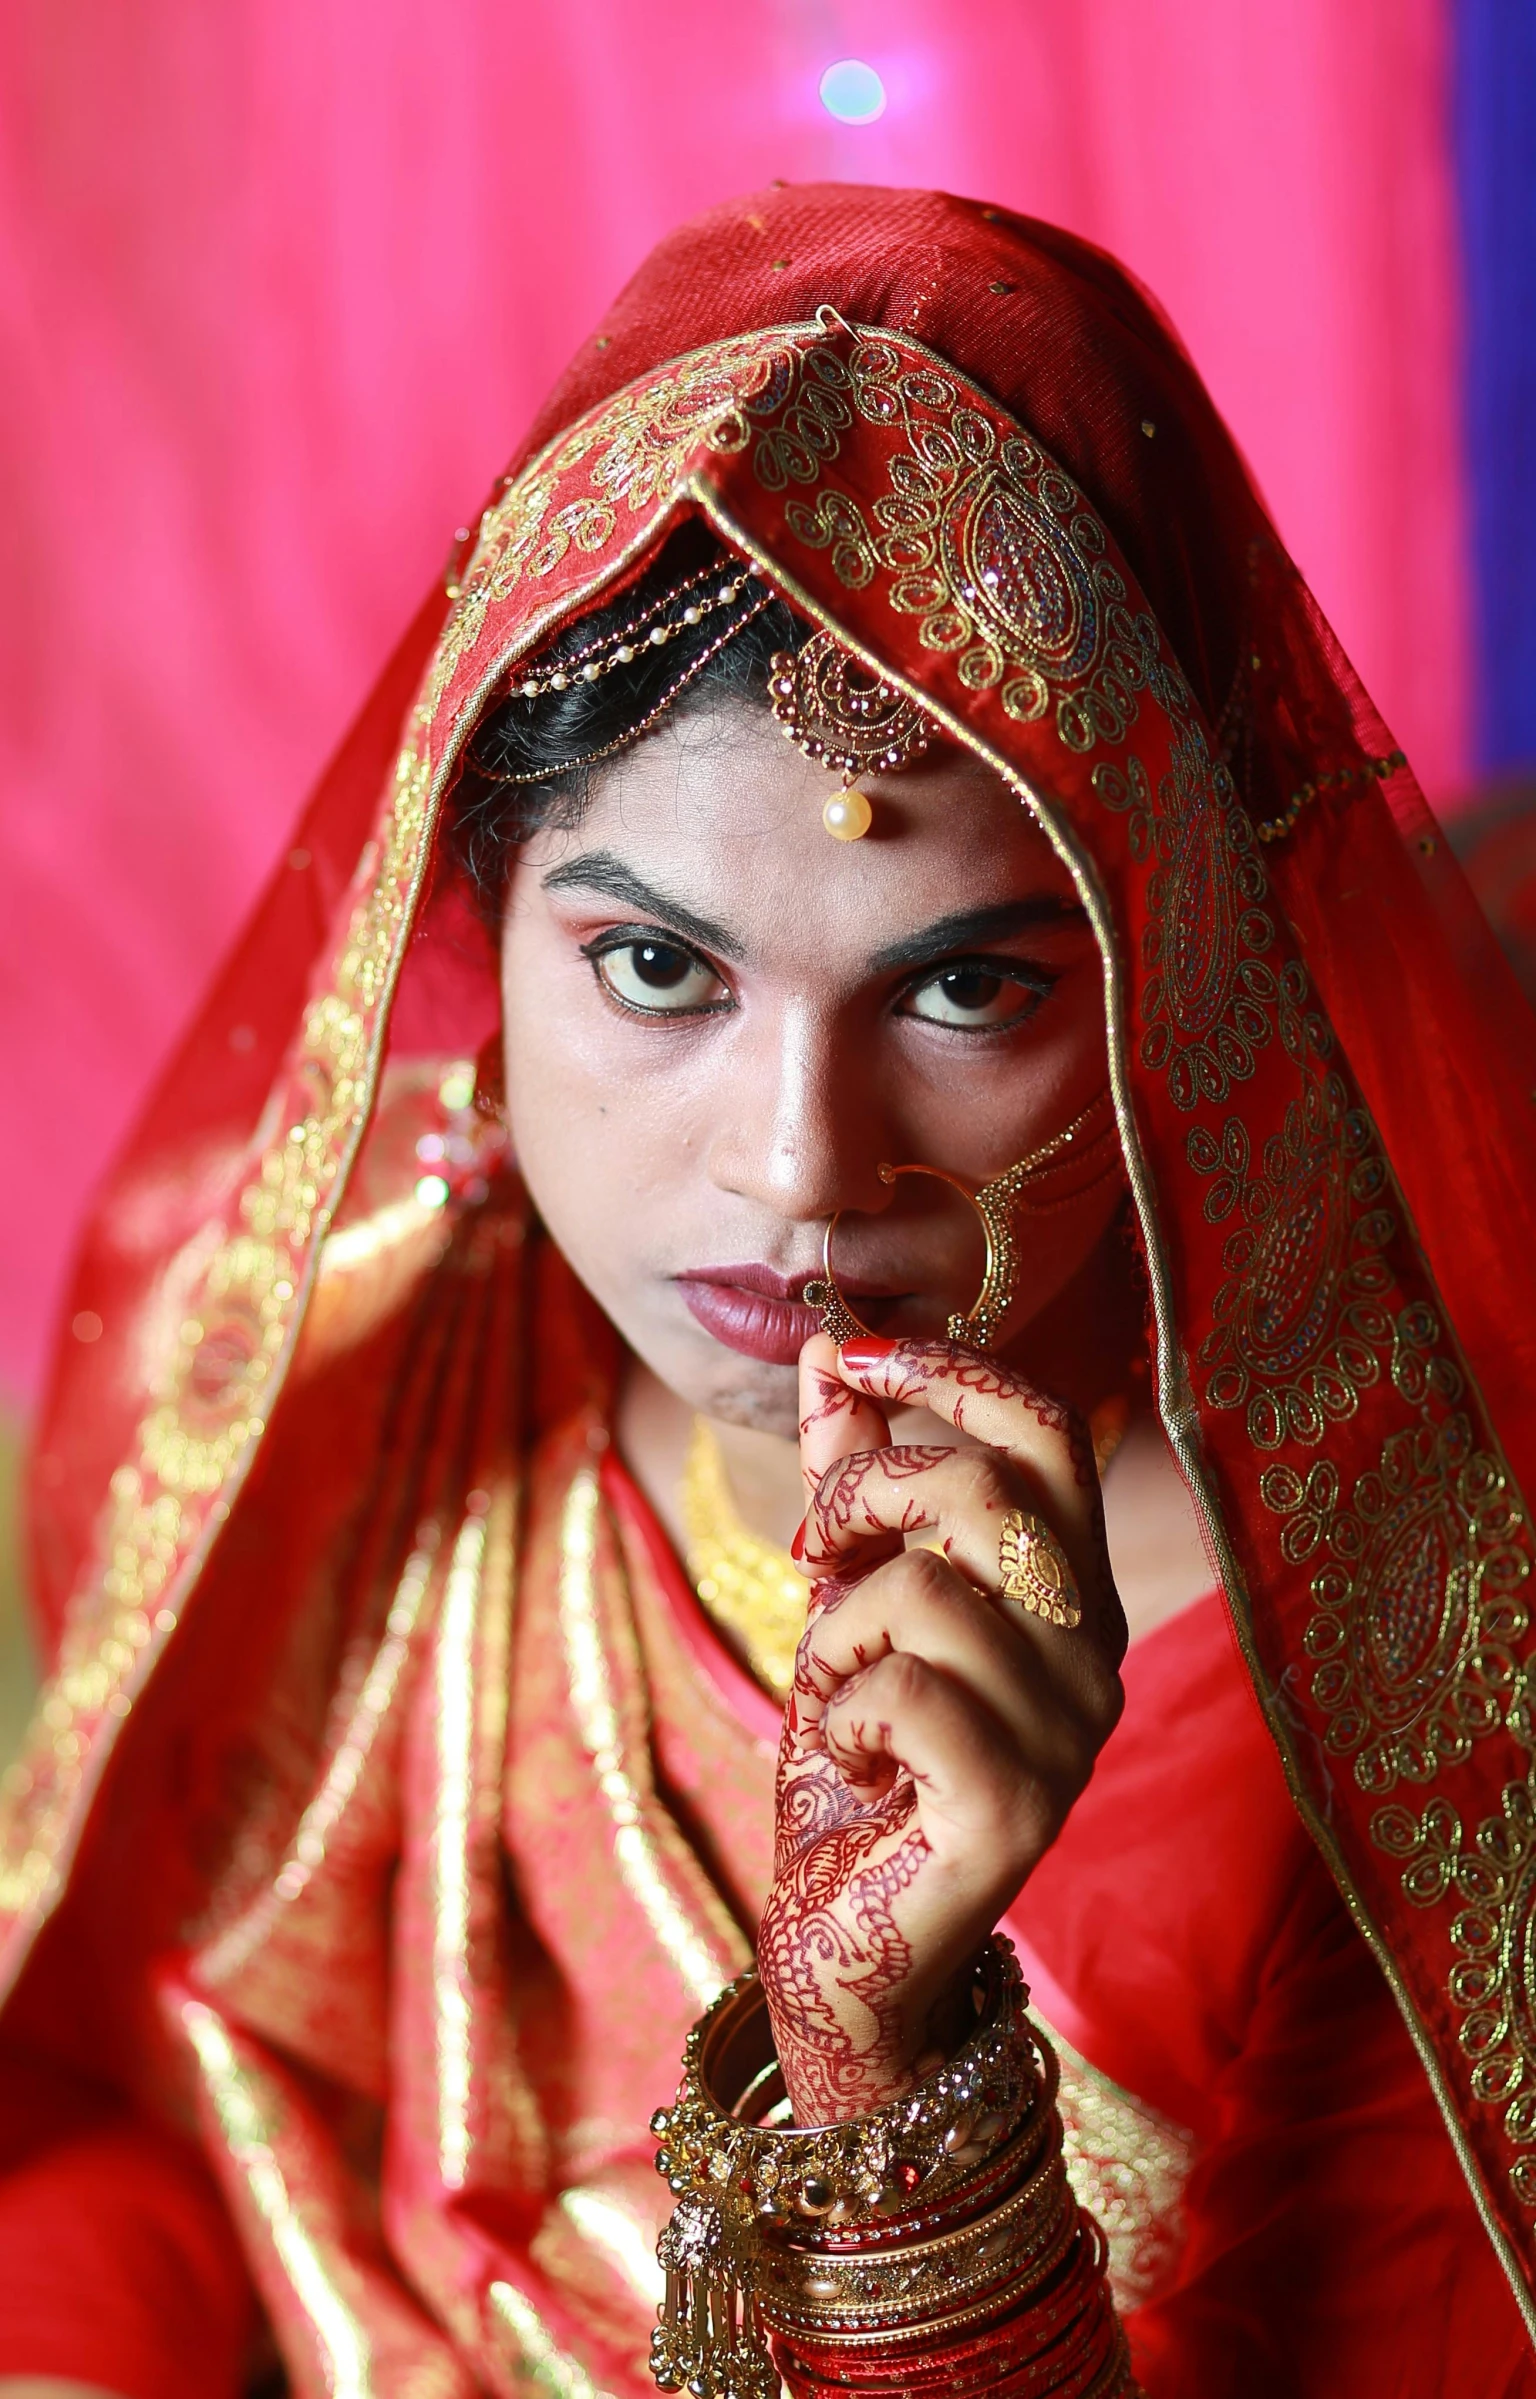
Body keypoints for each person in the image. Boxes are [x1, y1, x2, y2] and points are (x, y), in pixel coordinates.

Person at [2, 181, 1535, 2399]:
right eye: (655, 966)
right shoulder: (332, 1378)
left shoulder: (1415, 1715)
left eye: (971, 982)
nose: (802, 1169)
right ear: (478, 927)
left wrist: (894, 2087)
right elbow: (150, 2116)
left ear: (1184, 987)